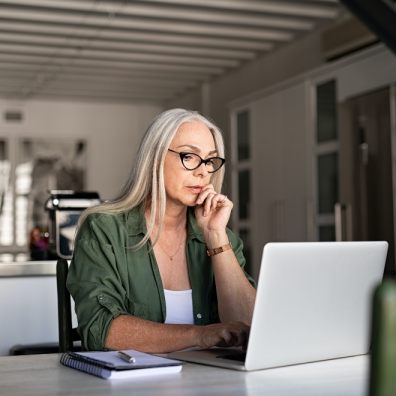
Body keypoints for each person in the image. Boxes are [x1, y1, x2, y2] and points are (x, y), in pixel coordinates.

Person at [67, 108, 256, 353]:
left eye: (210, 160)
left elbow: (250, 327)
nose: (203, 171)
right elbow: (101, 330)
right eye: (189, 156)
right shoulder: (104, 229)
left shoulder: (221, 237)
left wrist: (216, 238)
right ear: (155, 157)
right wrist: (200, 335)